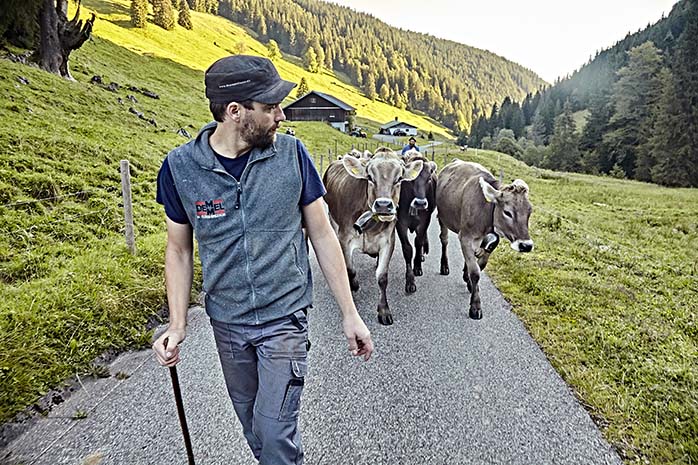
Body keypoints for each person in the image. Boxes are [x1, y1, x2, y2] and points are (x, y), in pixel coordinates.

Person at [152, 55, 374, 465]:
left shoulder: (292, 155)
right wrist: (177, 324)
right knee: (255, 427)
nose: (281, 114)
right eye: (270, 106)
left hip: (284, 317)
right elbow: (179, 249)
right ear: (235, 111)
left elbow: (323, 234)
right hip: (228, 323)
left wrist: (349, 312)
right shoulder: (180, 169)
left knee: (273, 431)